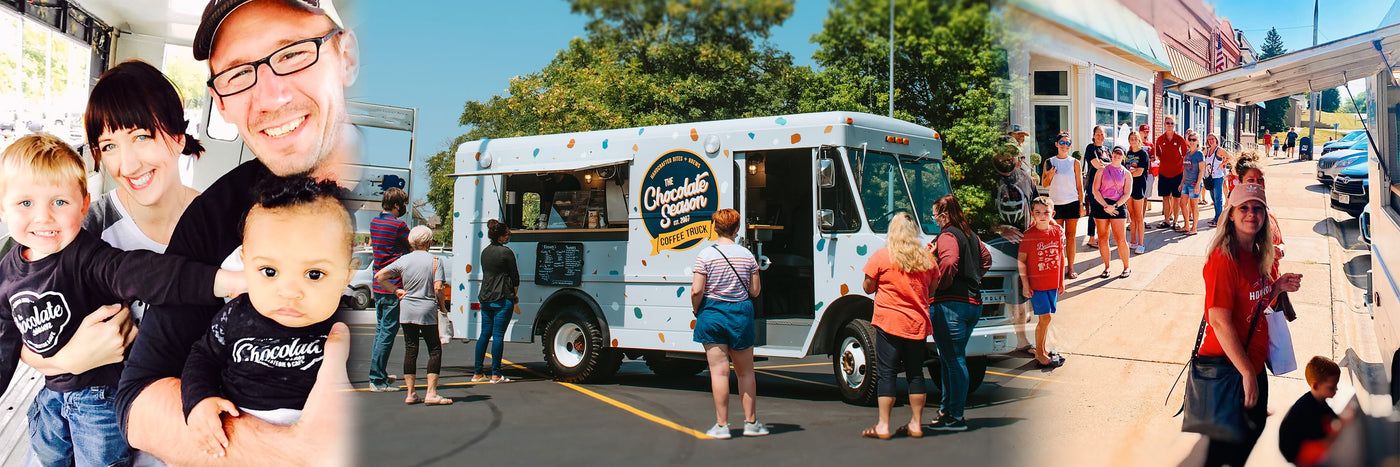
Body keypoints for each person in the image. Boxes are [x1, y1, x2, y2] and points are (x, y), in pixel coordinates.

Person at [118, 0, 362, 463]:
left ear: (346, 57)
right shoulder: (216, 217)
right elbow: (136, 400)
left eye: (292, 53)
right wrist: (291, 453)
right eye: (236, 74)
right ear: (221, 104)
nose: (270, 97)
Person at [0, 134, 244, 466]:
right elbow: (5, 337)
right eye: (25, 203)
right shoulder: (7, 270)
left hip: (97, 399)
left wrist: (224, 282)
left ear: (84, 205)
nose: (43, 217)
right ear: (3, 207)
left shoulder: (87, 257)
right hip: (50, 396)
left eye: (59, 202)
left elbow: (146, 273)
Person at [18, 60, 209, 423]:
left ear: (179, 135)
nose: (129, 164)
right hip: (85, 419)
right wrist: (68, 359)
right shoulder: (86, 225)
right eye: (109, 146)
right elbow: (17, 315)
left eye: (142, 136)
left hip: (181, 422)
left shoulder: (222, 226)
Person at [182, 177, 353, 455]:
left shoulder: (343, 328)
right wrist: (199, 400)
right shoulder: (235, 314)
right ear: (245, 261)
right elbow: (202, 358)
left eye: (314, 274)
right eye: (269, 271)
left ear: (347, 274)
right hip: (235, 440)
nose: (289, 292)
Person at [1197, 183, 1303, 467]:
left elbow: (1255, 303)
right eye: (1243, 208)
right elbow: (1219, 320)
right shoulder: (1223, 259)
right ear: (1230, 214)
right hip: (1227, 365)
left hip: (1252, 361)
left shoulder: (1257, 252)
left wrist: (1278, 286)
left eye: (1258, 208)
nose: (1251, 214)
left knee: (1248, 432)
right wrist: (1245, 372)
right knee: (1225, 448)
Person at [859, 212, 937, 439]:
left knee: (887, 373)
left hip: (889, 322)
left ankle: (883, 425)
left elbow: (867, 287)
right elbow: (933, 289)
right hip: (917, 323)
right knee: (915, 374)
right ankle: (916, 423)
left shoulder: (881, 257)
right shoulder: (926, 259)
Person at [690, 208, 764, 439]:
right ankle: (751, 423)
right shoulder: (747, 256)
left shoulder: (705, 256)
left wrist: (696, 309)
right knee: (746, 373)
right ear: (737, 229)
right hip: (740, 314)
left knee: (719, 374)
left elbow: (697, 290)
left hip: (712, 314)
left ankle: (722, 426)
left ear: (714, 227)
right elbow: (755, 291)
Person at [928, 195, 991, 432]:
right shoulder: (970, 234)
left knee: (953, 360)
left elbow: (950, 261)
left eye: (935, 216)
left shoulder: (947, 235)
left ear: (944, 215)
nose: (935, 220)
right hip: (972, 303)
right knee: (949, 359)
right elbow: (986, 259)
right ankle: (947, 411)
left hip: (950, 305)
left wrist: (940, 285)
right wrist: (973, 277)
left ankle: (955, 416)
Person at [374, 225, 451, 403]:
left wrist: (396, 291)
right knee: (434, 348)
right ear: (427, 242)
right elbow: (439, 287)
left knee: (411, 348)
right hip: (427, 309)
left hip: (407, 308)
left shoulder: (404, 260)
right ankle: (431, 393)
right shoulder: (435, 260)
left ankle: (411, 393)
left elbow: (379, 277)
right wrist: (442, 306)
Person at [369, 187, 409, 392]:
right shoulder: (399, 226)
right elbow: (411, 246)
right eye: (403, 205)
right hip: (394, 285)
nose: (404, 208)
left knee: (380, 330)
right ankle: (377, 379)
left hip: (378, 284)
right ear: (396, 205)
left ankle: (379, 372)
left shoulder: (374, 222)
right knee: (388, 332)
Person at [1018, 197, 1065, 369]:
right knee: (1045, 317)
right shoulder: (1029, 236)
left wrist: (1061, 280)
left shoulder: (1056, 232)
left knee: (1046, 318)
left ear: (1052, 214)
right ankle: (1039, 353)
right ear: (1032, 215)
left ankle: (1042, 348)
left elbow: (1060, 257)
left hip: (1052, 283)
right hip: (1036, 285)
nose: (1042, 216)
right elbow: (1021, 261)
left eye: (1046, 212)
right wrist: (1025, 284)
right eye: (1038, 212)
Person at [1278, 356, 1349, 466]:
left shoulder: (1317, 398)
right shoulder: (1308, 410)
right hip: (1295, 451)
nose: (1336, 390)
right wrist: (1341, 428)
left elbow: (1328, 411)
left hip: (1301, 439)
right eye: (1331, 387)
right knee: (1334, 443)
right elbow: (1323, 439)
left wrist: (1339, 419)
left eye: (1336, 386)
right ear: (1316, 385)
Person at [474, 219, 519, 384]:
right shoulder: (507, 253)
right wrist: (514, 296)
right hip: (502, 297)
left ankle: (477, 372)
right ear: (500, 236)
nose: (508, 237)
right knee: (498, 335)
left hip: (486, 297)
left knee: (484, 334)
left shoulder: (485, 252)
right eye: (506, 234)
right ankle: (496, 374)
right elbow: (515, 277)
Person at [1041, 131, 1083, 279]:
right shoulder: (1049, 161)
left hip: (1071, 203)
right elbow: (1044, 185)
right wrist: (1050, 175)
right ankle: (1057, 269)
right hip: (1055, 205)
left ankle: (1070, 268)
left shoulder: (1075, 163)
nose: (1065, 145)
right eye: (1063, 143)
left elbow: (1079, 186)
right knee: (1056, 239)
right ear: (1057, 144)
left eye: (1068, 143)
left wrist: (1081, 204)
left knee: (1071, 237)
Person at [1091, 147, 1133, 278]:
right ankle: (1107, 267)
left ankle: (1126, 267)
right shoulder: (1102, 170)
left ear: (1123, 157)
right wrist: (1105, 205)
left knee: (1120, 239)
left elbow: (1127, 193)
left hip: (1118, 206)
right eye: (1115, 153)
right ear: (1111, 154)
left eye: (1120, 154)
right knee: (1102, 238)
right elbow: (1095, 190)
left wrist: (1114, 205)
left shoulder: (1126, 173)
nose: (1117, 156)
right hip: (1101, 205)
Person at [1155, 116, 1188, 231]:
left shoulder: (1179, 139)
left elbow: (1185, 156)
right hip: (1163, 173)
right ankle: (1166, 220)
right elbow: (1158, 154)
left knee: (1176, 198)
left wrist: (1185, 174)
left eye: (1172, 123)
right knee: (1165, 198)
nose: (1169, 125)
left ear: (1174, 125)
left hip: (1177, 173)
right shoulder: (1160, 139)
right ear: (1164, 124)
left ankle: (1175, 221)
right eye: (1167, 123)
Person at [1081, 126, 1110, 247]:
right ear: (1093, 136)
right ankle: (1091, 238)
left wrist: (1105, 164)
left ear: (1105, 136)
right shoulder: (1090, 148)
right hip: (1093, 185)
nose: (1100, 136)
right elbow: (1097, 164)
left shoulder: (1107, 149)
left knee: (1103, 210)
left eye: (1102, 134)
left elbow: (1114, 164)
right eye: (1097, 134)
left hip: (1106, 186)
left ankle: (1101, 235)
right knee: (1094, 210)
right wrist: (1107, 165)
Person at [1126, 132, 1150, 254]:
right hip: (1129, 187)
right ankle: (1133, 241)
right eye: (1131, 138)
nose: (1134, 140)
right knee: (1132, 215)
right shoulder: (1129, 153)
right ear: (1129, 140)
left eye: (1136, 138)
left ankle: (1141, 243)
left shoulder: (1143, 154)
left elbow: (1140, 172)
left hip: (1139, 187)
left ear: (1139, 140)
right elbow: (1127, 169)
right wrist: (1132, 171)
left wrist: (1131, 172)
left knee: (1139, 216)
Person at [1203, 134, 1232, 227]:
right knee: (1213, 198)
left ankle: (1219, 219)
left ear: (1216, 139)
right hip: (1210, 177)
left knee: (1218, 198)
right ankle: (1216, 217)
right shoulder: (1207, 150)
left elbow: (1230, 157)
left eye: (1212, 139)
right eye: (1209, 139)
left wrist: (1222, 164)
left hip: (1218, 177)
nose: (1211, 141)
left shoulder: (1218, 150)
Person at [1180, 132, 1206, 235]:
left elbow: (1201, 170)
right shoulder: (1187, 154)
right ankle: (1186, 225)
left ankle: (1194, 228)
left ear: (1198, 141)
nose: (1191, 142)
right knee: (1182, 204)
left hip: (1194, 183)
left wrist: (1197, 184)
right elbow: (1185, 171)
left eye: (1194, 140)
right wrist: (1181, 183)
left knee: (1194, 205)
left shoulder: (1199, 154)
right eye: (1190, 139)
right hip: (1186, 183)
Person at [1139, 124, 1156, 214]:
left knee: (1145, 197)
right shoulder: (1135, 144)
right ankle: (1134, 221)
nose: (1146, 134)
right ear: (1140, 133)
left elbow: (1153, 158)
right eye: (1144, 132)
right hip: (1138, 174)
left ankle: (1142, 219)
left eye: (1147, 132)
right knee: (1137, 197)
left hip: (1148, 173)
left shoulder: (1150, 145)